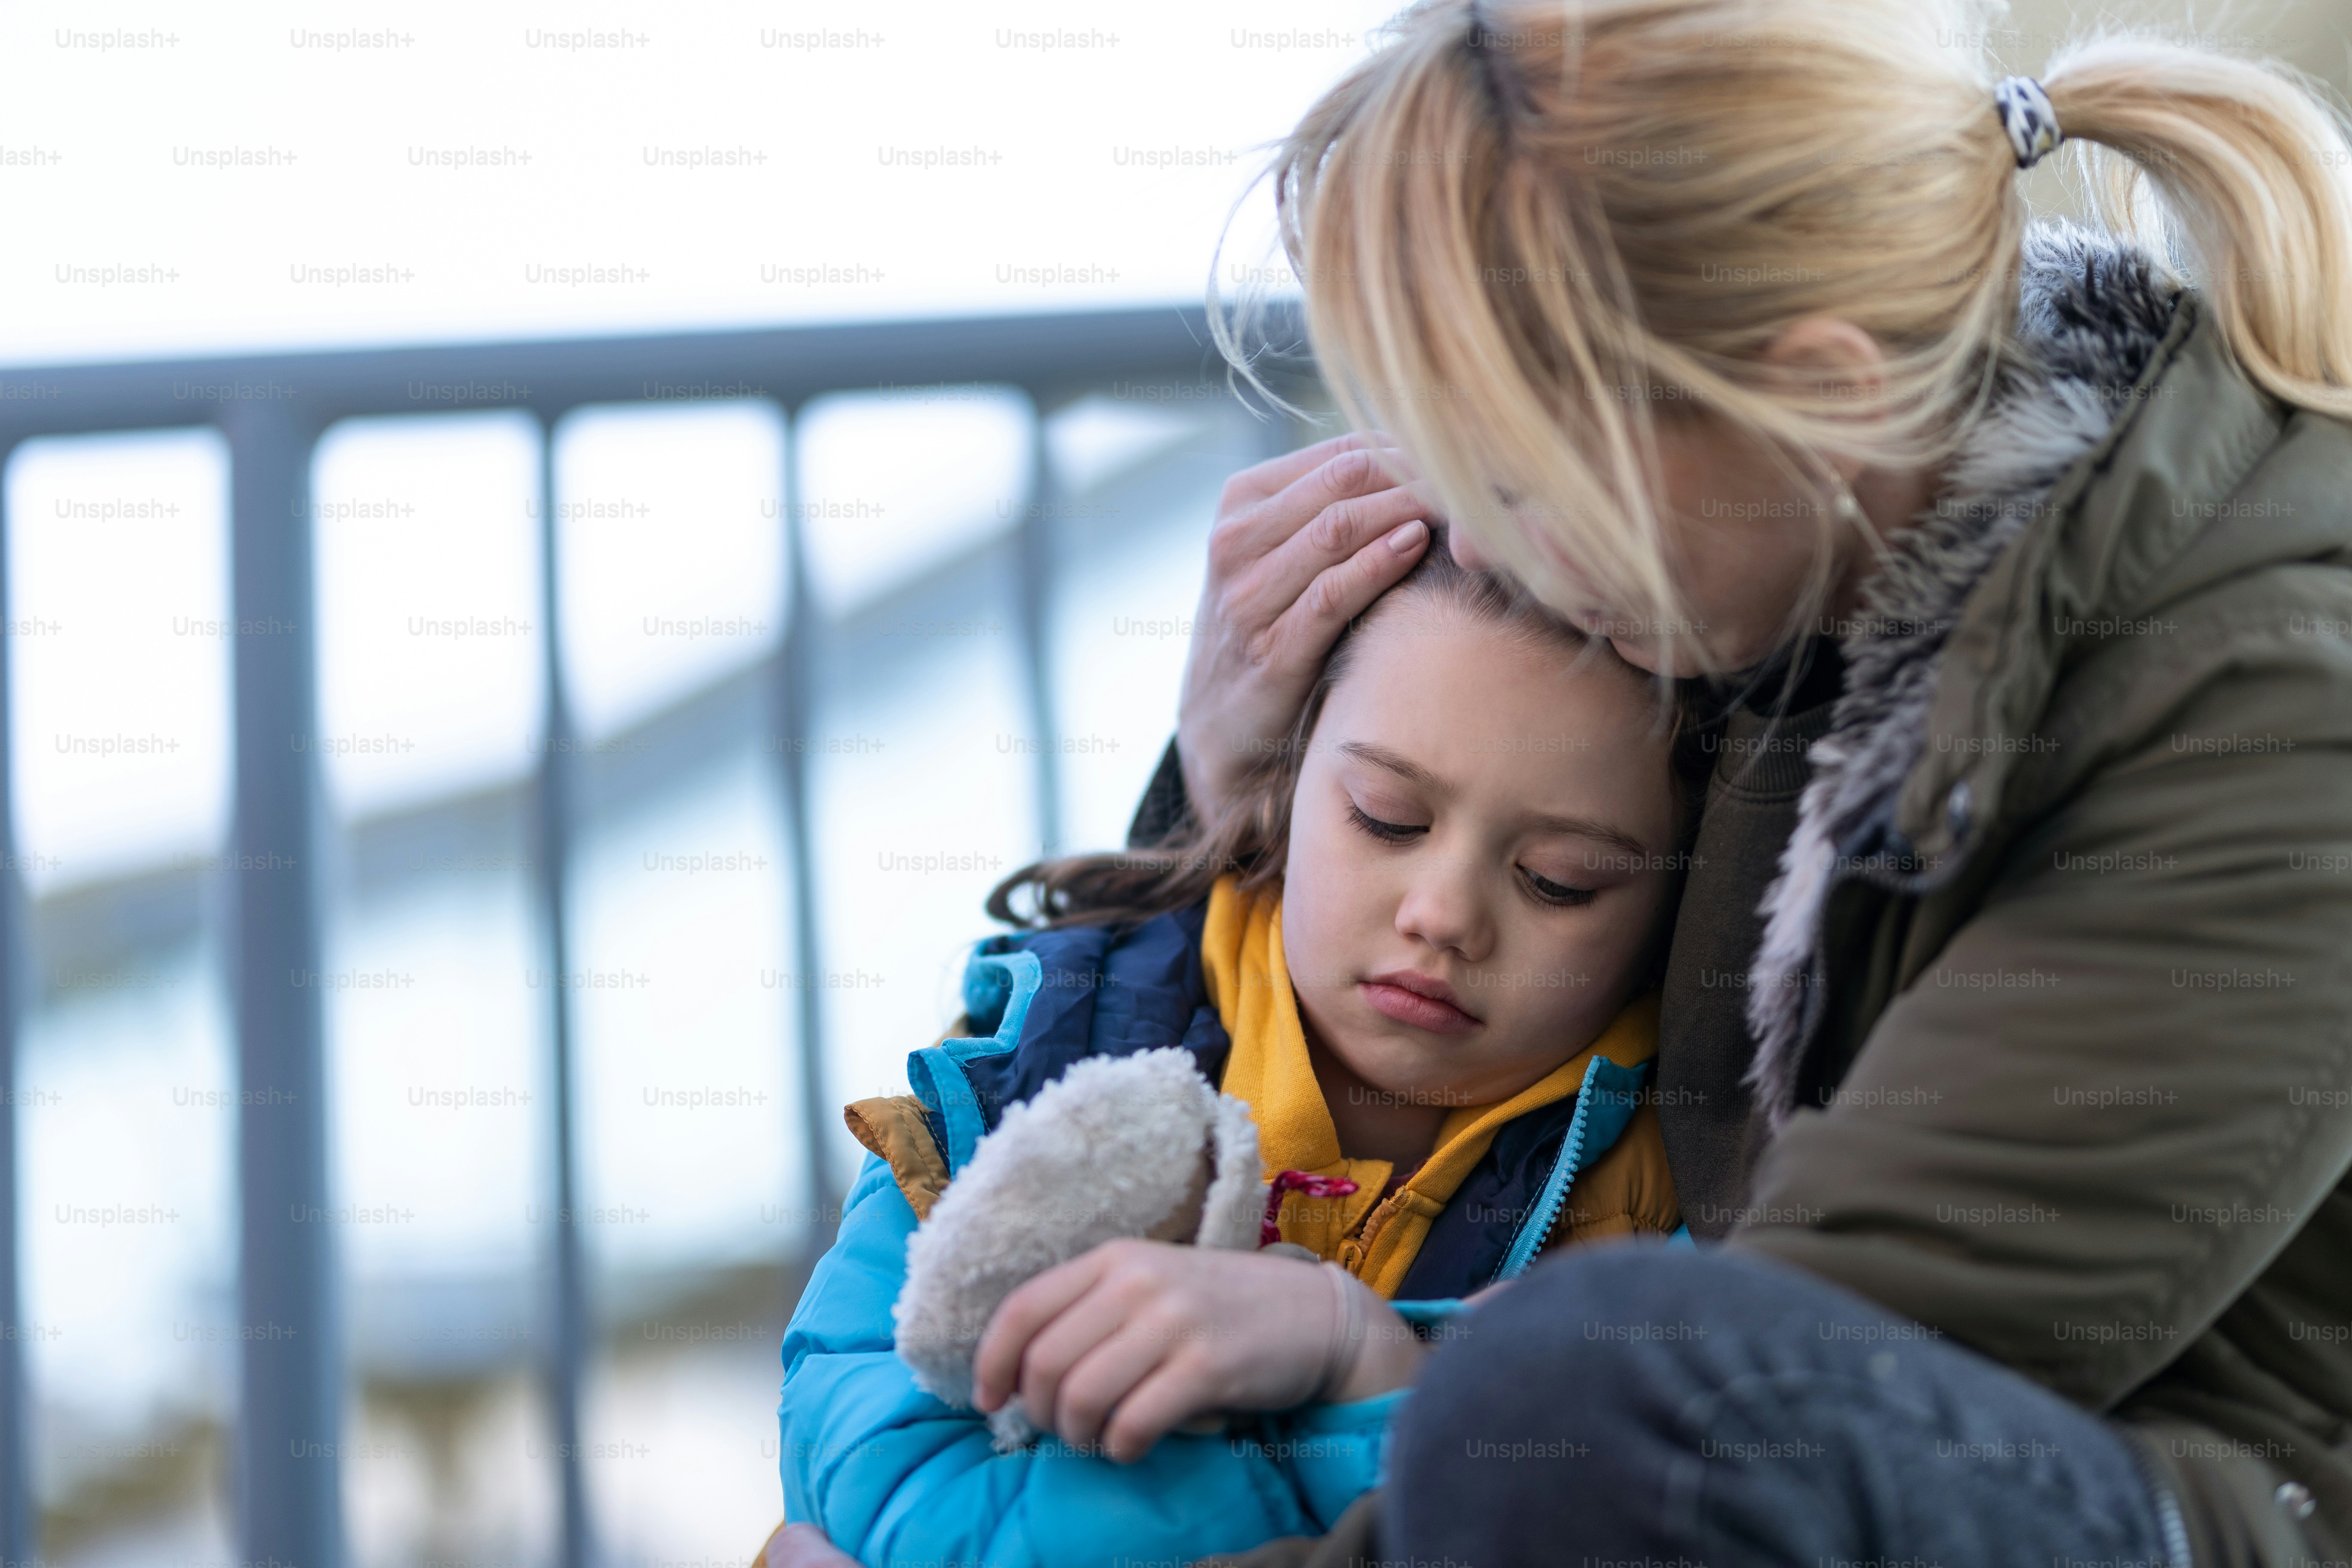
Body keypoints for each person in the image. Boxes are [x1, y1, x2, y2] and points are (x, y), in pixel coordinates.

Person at [771, 0, 2352, 1563]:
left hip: (2185, 1504)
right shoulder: (1810, 545)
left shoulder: (2273, 713)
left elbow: (1754, 1398)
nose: (1473, 541)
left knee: (1593, 1386)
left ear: (1819, 392)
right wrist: (1226, 781)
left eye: (1519, 475)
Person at [772, 545, 1693, 1566]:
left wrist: (1359, 1355)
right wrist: (1357, 1445)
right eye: (1387, 818)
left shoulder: (1685, 1207)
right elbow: (874, 1478)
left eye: (1558, 881)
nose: (1442, 916)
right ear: (1285, 788)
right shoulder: (1032, 1065)